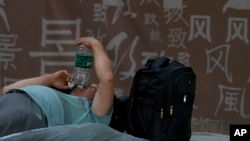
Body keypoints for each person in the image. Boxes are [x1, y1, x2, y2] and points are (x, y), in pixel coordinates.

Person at [0, 37, 114, 137]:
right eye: (90, 85)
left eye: (93, 89)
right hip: (10, 101)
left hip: (33, 115)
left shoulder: (94, 118)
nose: (87, 85)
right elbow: (7, 90)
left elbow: (107, 79)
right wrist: (50, 79)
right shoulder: (62, 95)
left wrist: (96, 45)